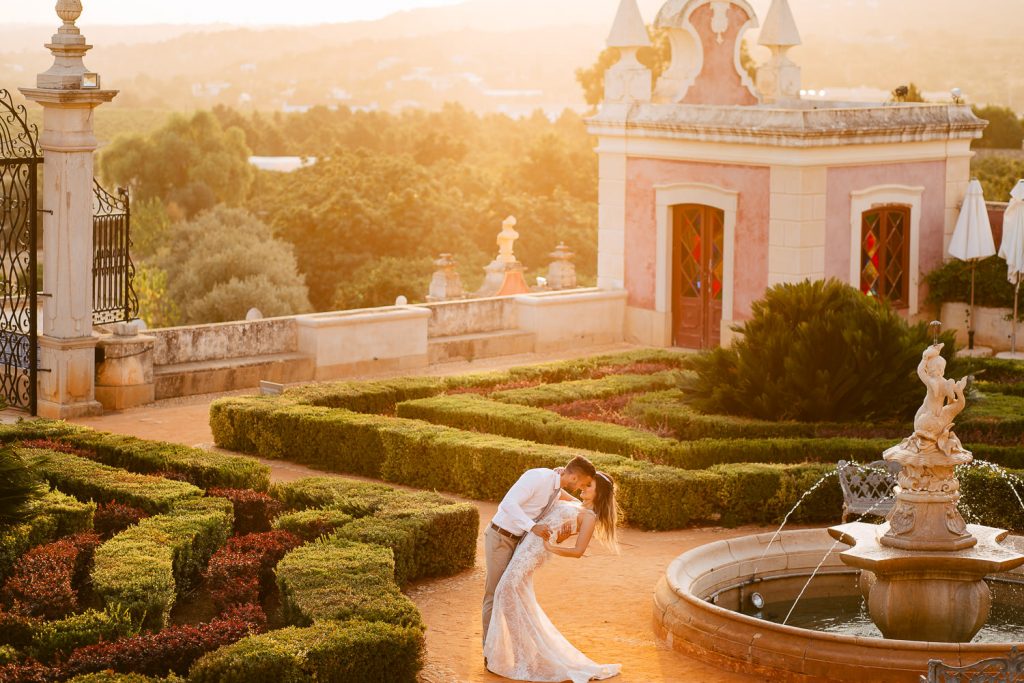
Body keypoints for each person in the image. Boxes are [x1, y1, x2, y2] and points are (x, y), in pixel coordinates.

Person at [484, 470, 621, 682]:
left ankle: (521, 657)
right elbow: (557, 491)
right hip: (525, 545)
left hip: (534, 552)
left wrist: (552, 546)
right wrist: (560, 473)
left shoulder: (590, 517)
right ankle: (525, 656)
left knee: (506, 591)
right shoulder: (578, 505)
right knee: (516, 597)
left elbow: (578, 551)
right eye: (585, 483)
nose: (583, 487)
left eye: (590, 486)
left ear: (599, 494)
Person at [482, 456, 597, 648]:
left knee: (511, 594)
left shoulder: (556, 488)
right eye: (583, 483)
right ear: (575, 477)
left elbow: (578, 504)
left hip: (518, 542)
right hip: (500, 538)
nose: (580, 488)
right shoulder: (538, 477)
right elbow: (508, 503)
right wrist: (532, 526)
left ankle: (511, 649)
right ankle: (489, 650)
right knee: (494, 594)